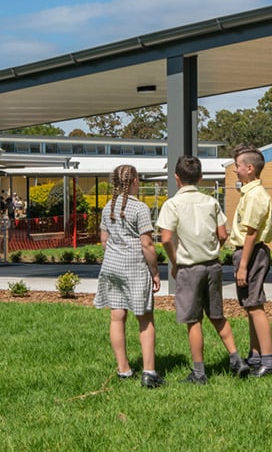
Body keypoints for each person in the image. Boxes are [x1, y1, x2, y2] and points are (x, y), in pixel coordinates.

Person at [157, 155, 250, 384]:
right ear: (200, 177)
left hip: (189, 268)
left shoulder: (172, 204)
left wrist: (175, 261)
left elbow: (166, 238)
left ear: (177, 178)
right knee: (217, 315)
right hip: (213, 266)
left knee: (193, 320)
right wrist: (213, 250)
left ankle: (199, 372)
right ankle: (236, 359)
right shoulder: (211, 202)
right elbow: (223, 234)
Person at [92, 164, 164, 388]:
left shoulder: (107, 208)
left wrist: (115, 254)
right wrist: (155, 271)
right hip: (134, 266)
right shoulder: (139, 208)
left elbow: (104, 240)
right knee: (144, 317)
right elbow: (147, 244)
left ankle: (123, 369)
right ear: (134, 181)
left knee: (117, 316)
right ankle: (149, 372)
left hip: (112, 266)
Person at [227, 145, 272, 377]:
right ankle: (256, 354)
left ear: (250, 168)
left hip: (252, 253)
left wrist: (243, 265)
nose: (235, 170)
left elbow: (251, 232)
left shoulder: (256, 195)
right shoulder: (249, 193)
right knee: (250, 305)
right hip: (248, 252)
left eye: (237, 166)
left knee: (255, 305)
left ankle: (269, 361)